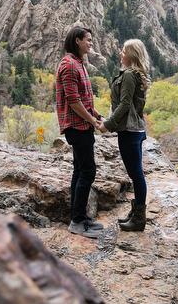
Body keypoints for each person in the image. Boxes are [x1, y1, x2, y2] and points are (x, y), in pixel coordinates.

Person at [56, 26, 106, 239]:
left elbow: (84, 99)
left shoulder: (79, 64)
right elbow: (74, 102)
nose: (91, 43)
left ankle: (79, 218)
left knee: (79, 171)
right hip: (76, 125)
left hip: (82, 124)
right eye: (88, 39)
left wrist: (97, 114)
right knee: (87, 171)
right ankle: (77, 222)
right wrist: (94, 122)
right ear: (77, 40)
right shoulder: (68, 65)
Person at [99, 39, 151, 232]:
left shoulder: (129, 75)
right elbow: (120, 105)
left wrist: (107, 126)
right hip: (133, 130)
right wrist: (107, 120)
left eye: (123, 51)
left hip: (129, 131)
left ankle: (139, 219)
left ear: (132, 55)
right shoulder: (133, 74)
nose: (121, 54)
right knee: (136, 173)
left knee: (136, 174)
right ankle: (136, 213)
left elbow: (125, 104)